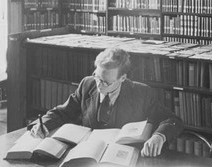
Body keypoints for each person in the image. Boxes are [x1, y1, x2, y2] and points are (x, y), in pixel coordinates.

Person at [29, 47, 183, 157]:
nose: (99, 85)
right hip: (88, 156)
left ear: (122, 78)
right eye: (97, 77)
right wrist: (43, 124)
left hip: (122, 158)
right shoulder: (87, 84)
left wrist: (159, 136)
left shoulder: (141, 92)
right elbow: (63, 111)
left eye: (106, 82)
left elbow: (172, 120)